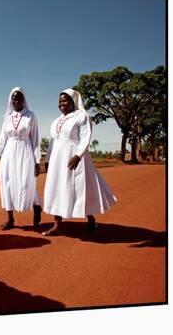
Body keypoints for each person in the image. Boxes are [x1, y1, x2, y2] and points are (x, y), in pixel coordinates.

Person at [42, 89, 116, 236]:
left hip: (75, 158)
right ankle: (57, 224)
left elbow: (85, 138)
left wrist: (77, 155)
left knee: (81, 188)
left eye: (65, 100)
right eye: (60, 101)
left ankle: (91, 219)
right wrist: (47, 159)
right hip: (58, 159)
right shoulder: (56, 121)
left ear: (73, 101)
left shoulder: (82, 116)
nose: (61, 104)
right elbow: (52, 143)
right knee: (57, 188)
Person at [0, 87, 42, 230]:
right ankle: (10, 219)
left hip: (25, 151)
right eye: (14, 98)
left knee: (26, 182)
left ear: (24, 100)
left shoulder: (31, 116)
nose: (16, 101)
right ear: (11, 100)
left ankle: (36, 205)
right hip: (9, 153)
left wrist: (37, 161)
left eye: (19, 98)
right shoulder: (7, 117)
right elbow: (1, 141)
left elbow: (35, 140)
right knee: (6, 182)